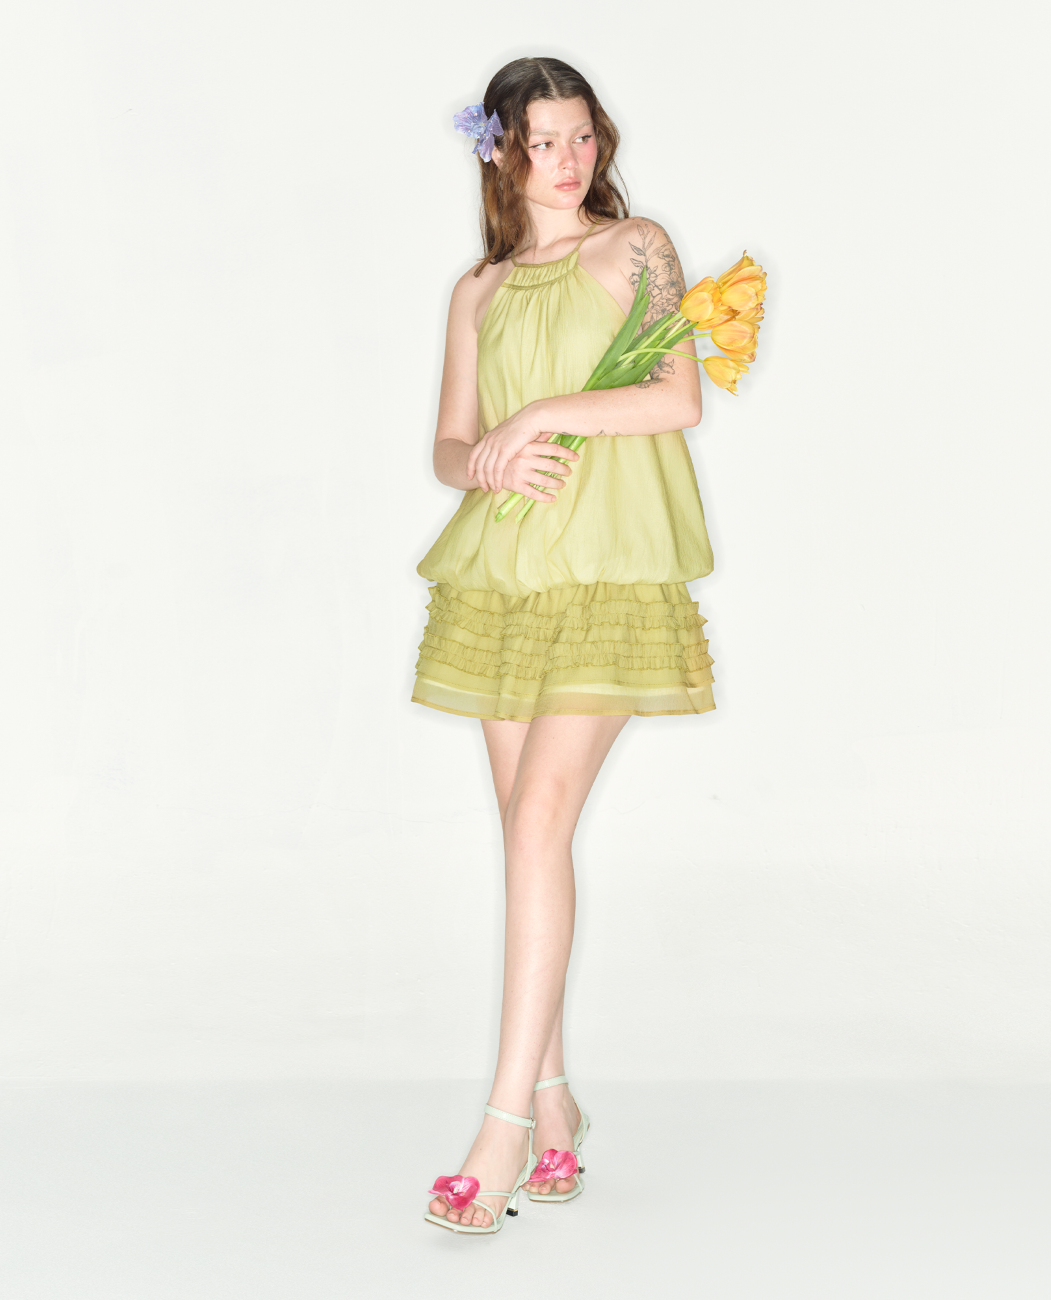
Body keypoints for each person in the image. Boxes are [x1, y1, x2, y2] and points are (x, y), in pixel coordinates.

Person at [415, 56, 715, 1234]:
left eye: (581, 135)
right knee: (522, 834)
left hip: (609, 569)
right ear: (501, 152)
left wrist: (542, 412)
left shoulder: (636, 247)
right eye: (543, 141)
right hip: (503, 574)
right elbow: (449, 446)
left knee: (539, 819)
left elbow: (677, 397)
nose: (568, 159)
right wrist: (485, 460)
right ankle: (553, 1104)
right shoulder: (478, 288)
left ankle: (496, 1129)